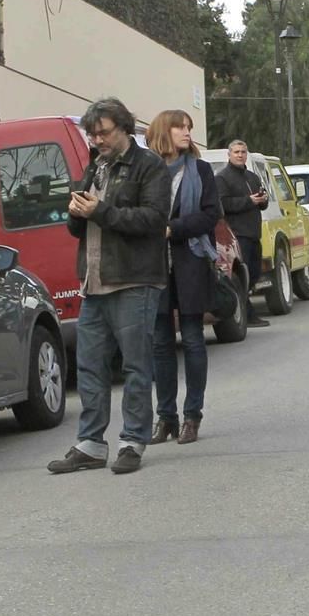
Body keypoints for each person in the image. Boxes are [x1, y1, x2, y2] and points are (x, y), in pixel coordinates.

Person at [47, 98, 170, 477]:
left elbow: (153, 219)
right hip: (93, 282)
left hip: (135, 280)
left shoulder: (149, 166)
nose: (98, 139)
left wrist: (98, 210)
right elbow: (79, 229)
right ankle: (90, 444)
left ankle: (133, 440)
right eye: (93, 134)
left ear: (124, 127)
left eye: (104, 132)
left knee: (134, 365)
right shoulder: (95, 166)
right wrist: (75, 212)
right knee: (89, 367)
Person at [148, 109, 223, 445]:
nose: (187, 131)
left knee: (192, 340)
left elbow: (210, 216)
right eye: (180, 126)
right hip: (153, 267)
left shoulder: (200, 170)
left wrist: (172, 229)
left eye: (189, 127)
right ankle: (166, 418)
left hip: (190, 262)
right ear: (165, 130)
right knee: (161, 345)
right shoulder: (147, 171)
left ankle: (192, 415)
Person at [217, 139, 271, 327]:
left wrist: (263, 199)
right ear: (229, 155)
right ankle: (247, 314)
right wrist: (248, 201)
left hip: (254, 233)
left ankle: (247, 309)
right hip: (237, 235)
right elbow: (222, 204)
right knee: (243, 276)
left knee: (255, 274)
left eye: (243, 152)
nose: (240, 155)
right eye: (236, 152)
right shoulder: (222, 178)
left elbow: (262, 202)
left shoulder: (252, 177)